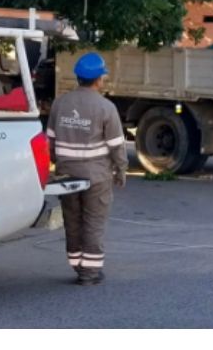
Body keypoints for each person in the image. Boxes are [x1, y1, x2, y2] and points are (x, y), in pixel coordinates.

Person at [46, 51, 127, 284]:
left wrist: (57, 165)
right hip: (96, 177)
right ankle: (90, 272)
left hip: (66, 176)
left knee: (72, 220)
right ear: (99, 79)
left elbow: (49, 140)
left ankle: (77, 265)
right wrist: (121, 171)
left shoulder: (60, 103)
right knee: (93, 222)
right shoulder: (106, 107)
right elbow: (116, 146)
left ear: (77, 77)